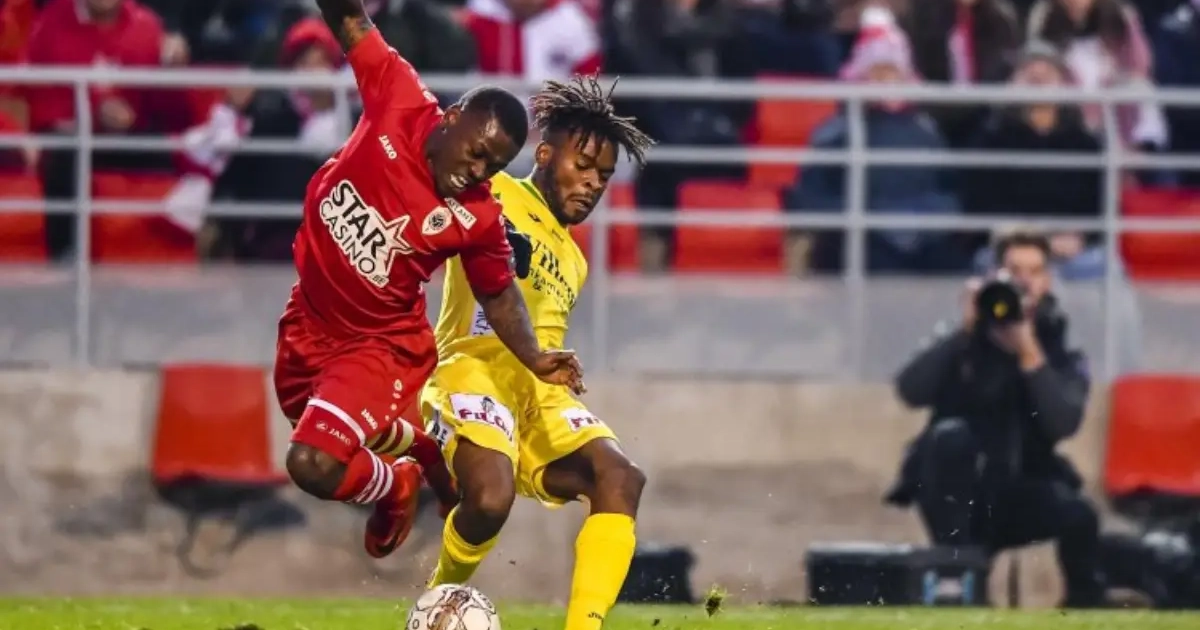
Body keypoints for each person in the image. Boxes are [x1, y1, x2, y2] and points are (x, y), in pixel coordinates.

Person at [273, 0, 585, 561]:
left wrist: (535, 357)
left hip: (378, 346)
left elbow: (498, 291)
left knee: (313, 461)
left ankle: (395, 487)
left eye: (494, 166)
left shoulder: (479, 215)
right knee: (311, 426)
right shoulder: (398, 95)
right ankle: (414, 451)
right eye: (477, 152)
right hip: (309, 317)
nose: (478, 171)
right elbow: (350, 21)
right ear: (452, 116)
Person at [419, 75, 654, 630]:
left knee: (620, 478)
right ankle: (436, 602)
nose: (593, 183)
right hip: (471, 372)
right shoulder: (493, 190)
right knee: (489, 500)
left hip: (538, 394)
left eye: (603, 176)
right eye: (583, 165)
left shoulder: (576, 260)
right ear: (545, 155)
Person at [886, 230, 1104, 607]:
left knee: (1080, 514)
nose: (1024, 282)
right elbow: (910, 390)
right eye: (1014, 271)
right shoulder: (963, 338)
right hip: (954, 486)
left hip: (1017, 486)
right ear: (992, 275)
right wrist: (965, 331)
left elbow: (1063, 423)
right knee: (951, 437)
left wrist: (1029, 353)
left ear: (1048, 281)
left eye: (1034, 271)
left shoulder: (1057, 345)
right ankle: (961, 581)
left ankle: (1084, 605)